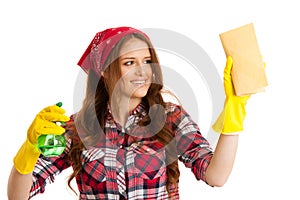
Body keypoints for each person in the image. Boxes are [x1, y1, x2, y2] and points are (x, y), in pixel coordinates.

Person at [7, 27, 250, 200]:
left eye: (146, 61)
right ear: (104, 70)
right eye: (129, 63)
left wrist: (234, 110)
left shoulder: (170, 118)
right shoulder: (79, 127)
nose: (143, 71)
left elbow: (215, 176)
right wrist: (29, 150)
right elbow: (18, 196)